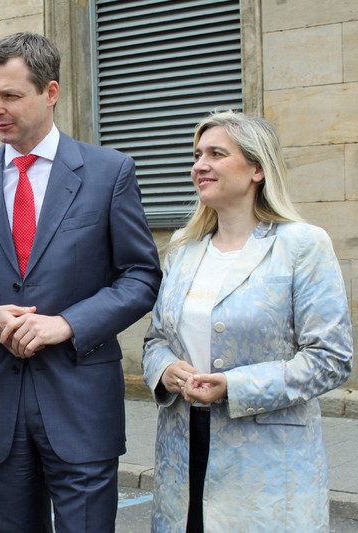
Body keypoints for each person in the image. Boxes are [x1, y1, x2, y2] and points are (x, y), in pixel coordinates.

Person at [0, 32, 161, 532]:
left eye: (10, 95)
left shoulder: (109, 172)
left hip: (79, 406)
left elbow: (141, 276)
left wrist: (68, 324)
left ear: (50, 92)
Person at [142, 111, 353, 532]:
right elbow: (156, 340)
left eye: (217, 153)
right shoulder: (184, 249)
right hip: (184, 451)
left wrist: (235, 386)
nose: (200, 164)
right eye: (198, 154)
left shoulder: (302, 245)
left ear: (257, 168)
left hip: (268, 464)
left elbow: (331, 359)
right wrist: (165, 370)